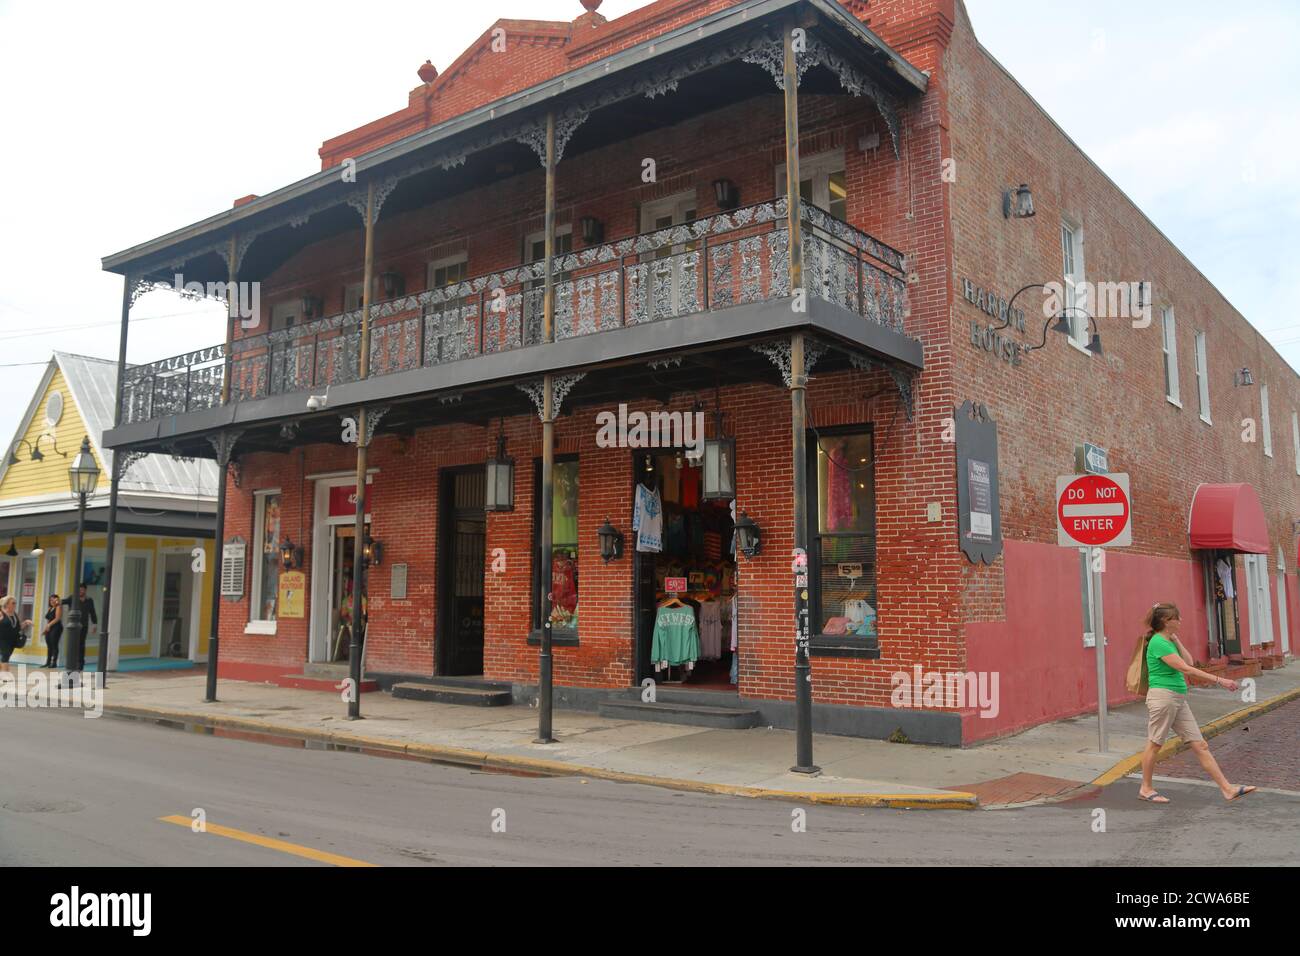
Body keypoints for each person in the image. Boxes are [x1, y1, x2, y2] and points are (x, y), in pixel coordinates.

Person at [1138, 602, 1256, 804]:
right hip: (1163, 698)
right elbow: (1188, 670)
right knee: (1155, 744)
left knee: (1200, 745)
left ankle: (1228, 789)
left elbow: (1189, 661)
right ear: (1167, 621)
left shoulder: (1168, 641)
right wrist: (1221, 680)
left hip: (1177, 699)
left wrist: (1177, 640)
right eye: (1177, 618)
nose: (1181, 621)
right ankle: (1146, 788)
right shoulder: (1158, 642)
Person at [0, 595, 32, 676]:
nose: (15, 605)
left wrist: (26, 622)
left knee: (6, 656)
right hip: (3, 639)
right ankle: (4, 675)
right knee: (6, 655)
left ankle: (4, 672)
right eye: (13, 603)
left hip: (12, 640)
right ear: (7, 604)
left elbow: (18, 627)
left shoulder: (15, 614)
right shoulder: (1, 613)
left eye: (15, 603)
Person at [42, 592, 63, 669]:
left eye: (53, 600)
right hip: (49, 627)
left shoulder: (58, 607)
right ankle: (48, 662)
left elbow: (57, 618)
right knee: (49, 645)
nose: (51, 601)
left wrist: (49, 625)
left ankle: (54, 663)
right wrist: (45, 629)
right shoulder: (50, 608)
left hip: (56, 627)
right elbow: (48, 620)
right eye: (50, 600)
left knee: (54, 644)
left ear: (57, 600)